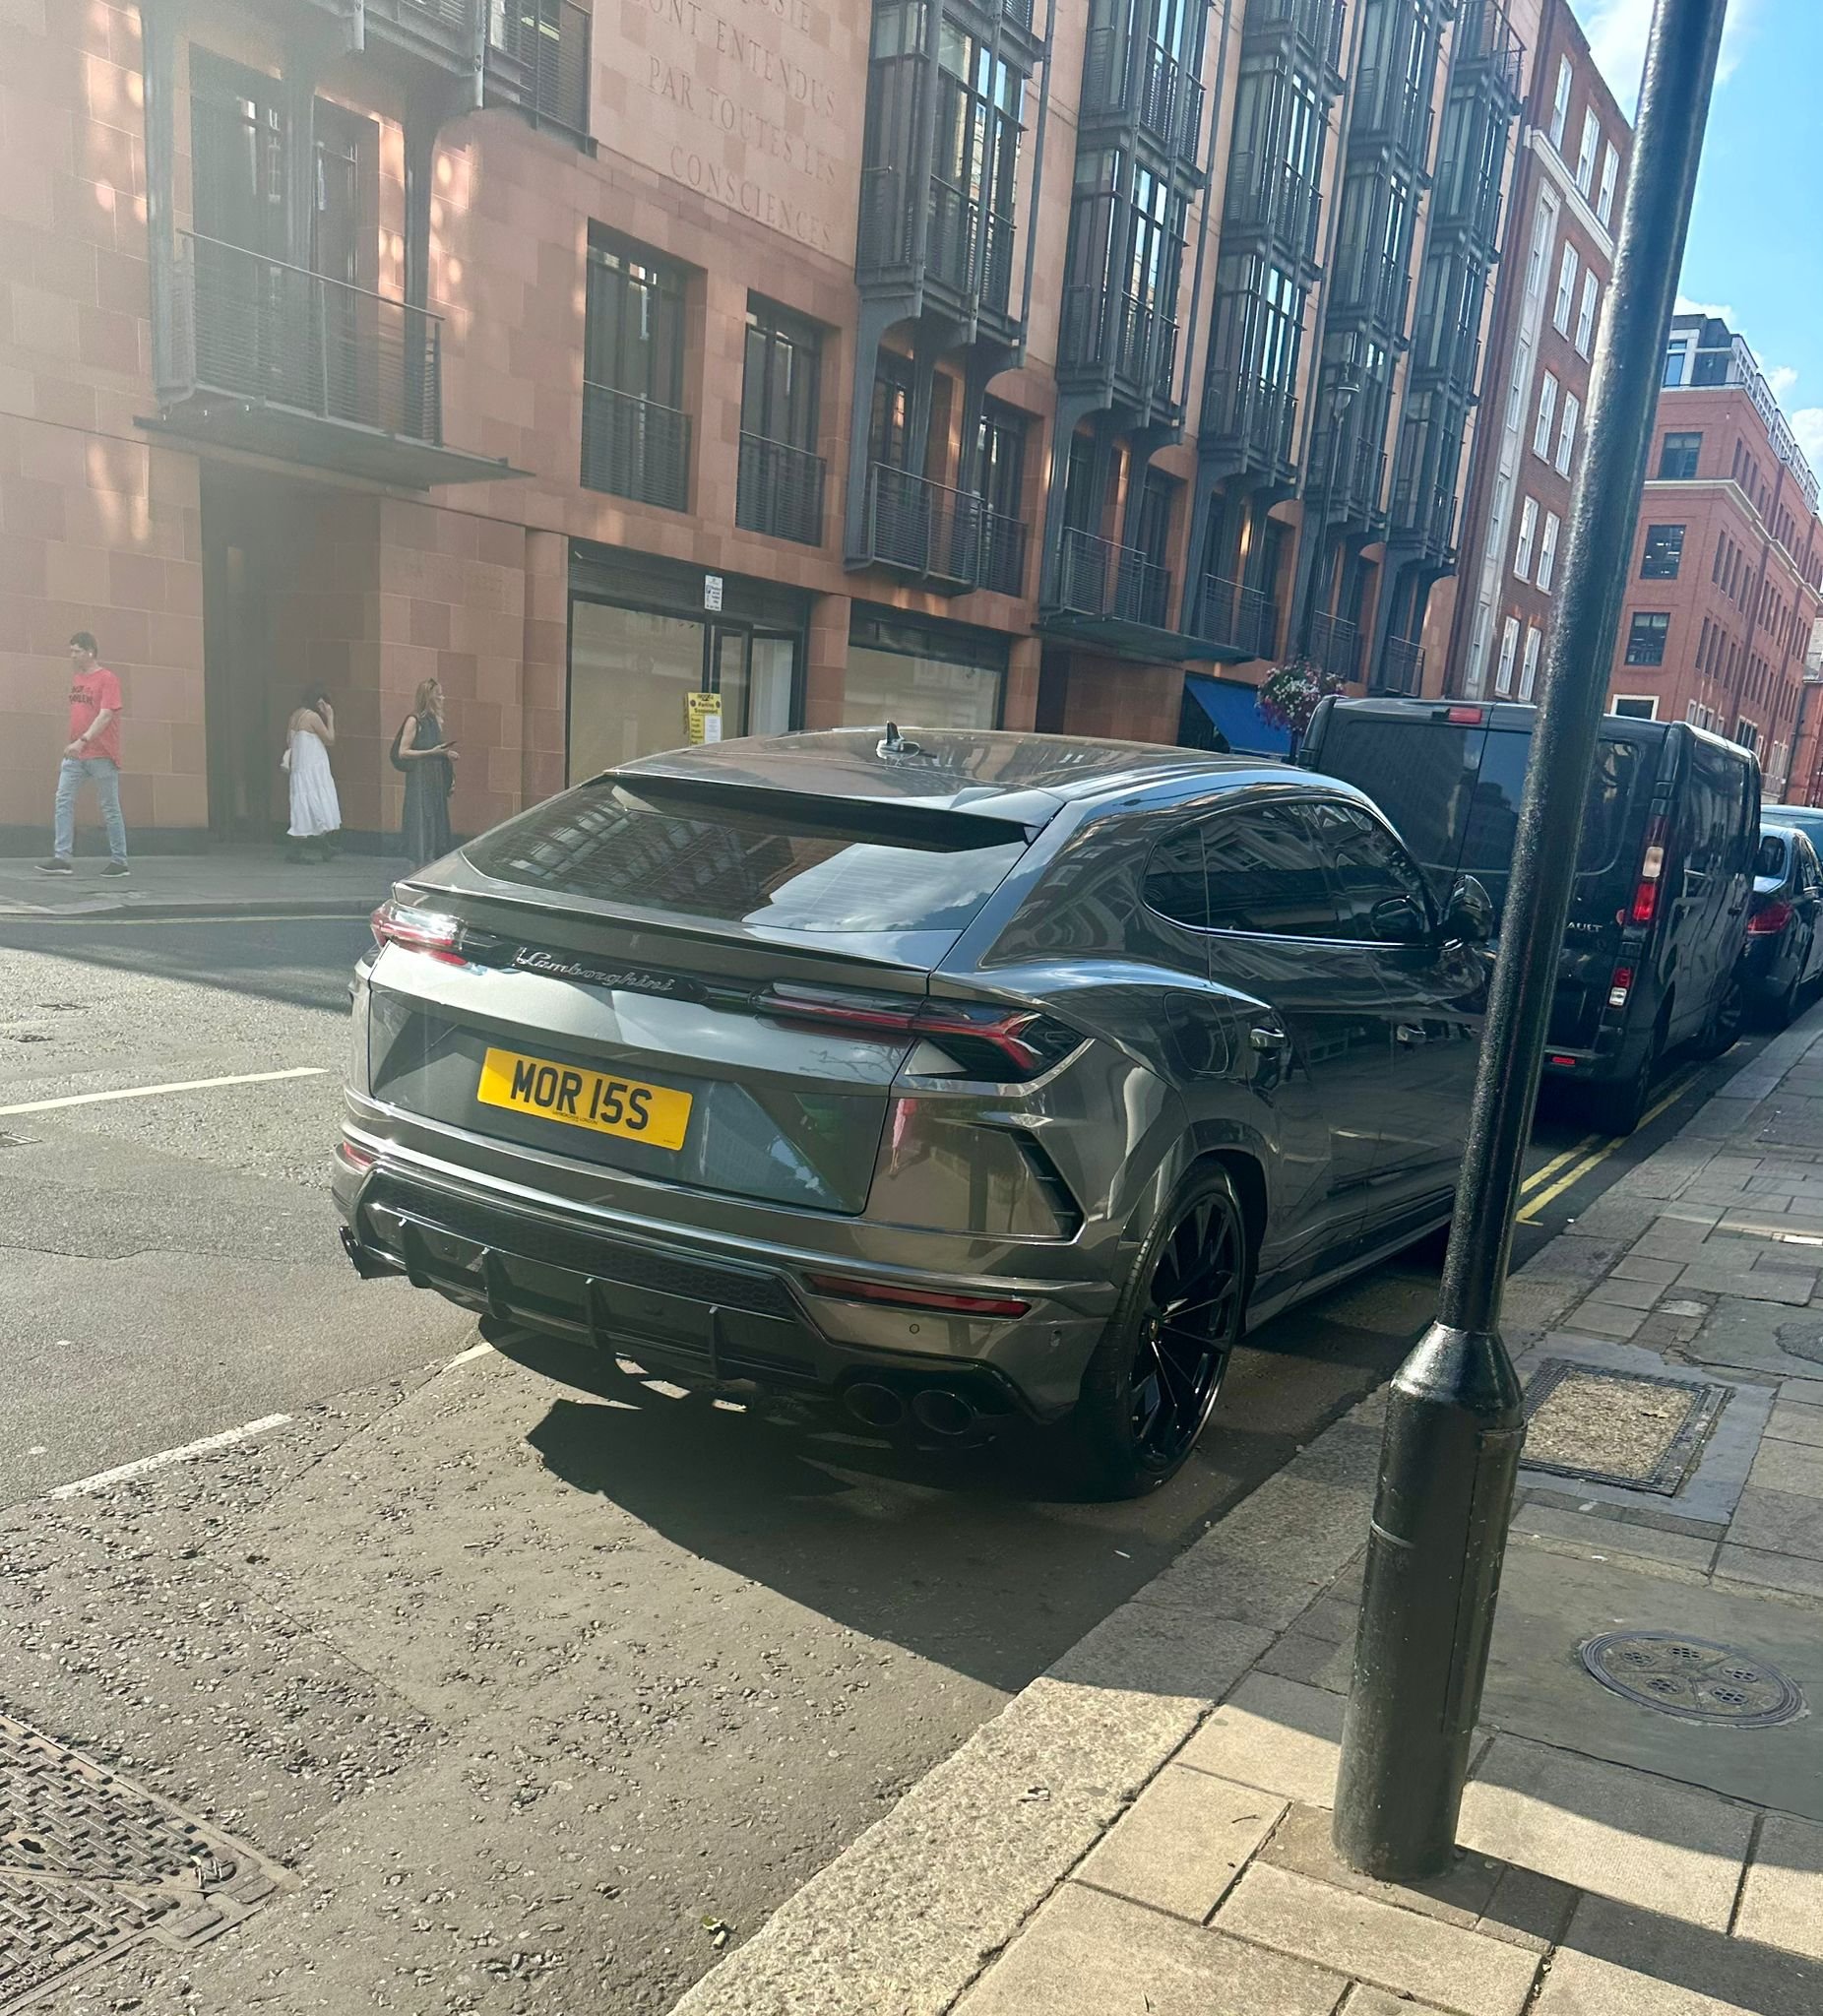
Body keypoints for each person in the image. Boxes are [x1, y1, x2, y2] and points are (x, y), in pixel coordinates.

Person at [39, 632, 128, 876]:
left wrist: (83, 741)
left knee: (109, 807)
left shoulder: (107, 679)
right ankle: (62, 857)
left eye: (76, 651)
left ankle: (120, 861)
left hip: (101, 754)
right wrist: (75, 744)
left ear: (90, 651)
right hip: (76, 755)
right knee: (63, 799)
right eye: (71, 651)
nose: (72, 655)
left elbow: (106, 715)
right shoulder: (78, 679)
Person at [396, 676, 457, 867]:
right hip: (420, 779)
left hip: (435, 779)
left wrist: (446, 755)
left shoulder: (436, 721)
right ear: (429, 697)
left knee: (435, 822)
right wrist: (431, 753)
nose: (442, 698)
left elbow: (437, 750)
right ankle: (418, 864)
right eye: (439, 695)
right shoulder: (414, 721)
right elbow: (403, 752)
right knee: (421, 820)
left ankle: (430, 863)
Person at [283, 688, 342, 863]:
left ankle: (325, 847)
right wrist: (330, 716)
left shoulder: (295, 715)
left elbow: (289, 740)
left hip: (300, 769)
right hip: (313, 768)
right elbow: (330, 739)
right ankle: (295, 851)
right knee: (314, 805)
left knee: (306, 806)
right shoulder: (312, 717)